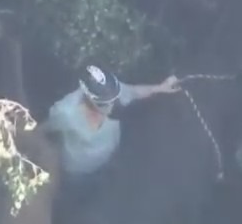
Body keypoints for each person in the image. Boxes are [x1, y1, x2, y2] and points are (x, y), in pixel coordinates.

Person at [43, 64, 181, 184]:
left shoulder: (113, 93)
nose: (111, 105)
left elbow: (133, 92)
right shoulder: (65, 112)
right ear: (88, 96)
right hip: (79, 173)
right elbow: (41, 131)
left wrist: (161, 87)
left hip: (110, 158)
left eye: (113, 99)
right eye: (104, 103)